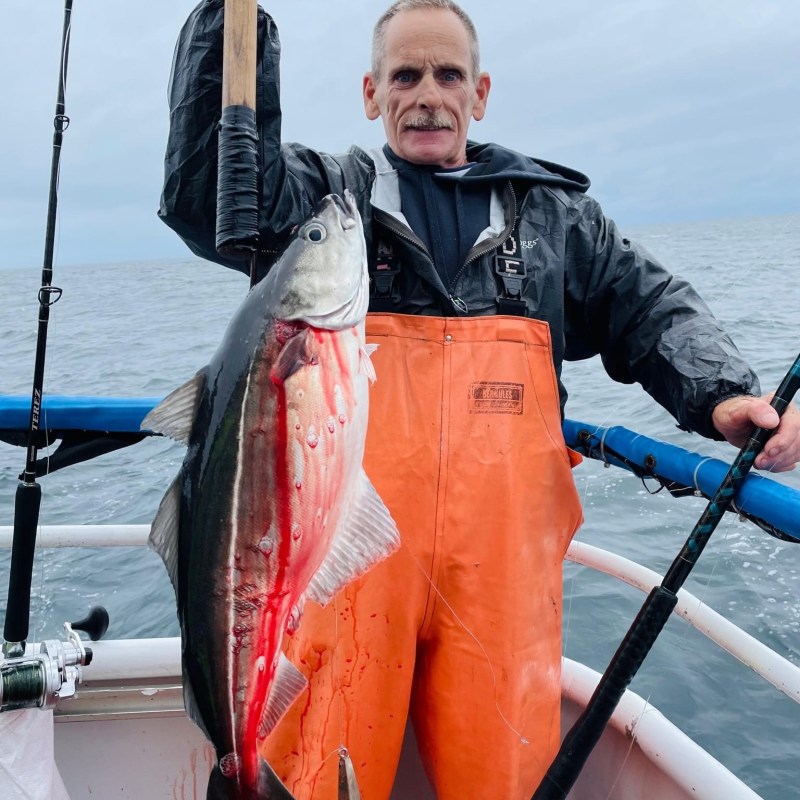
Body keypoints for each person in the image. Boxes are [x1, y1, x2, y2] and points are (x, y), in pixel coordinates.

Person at [160, 1, 800, 798]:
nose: (427, 94)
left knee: (502, 776)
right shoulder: (326, 205)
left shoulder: (557, 218)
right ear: (371, 93)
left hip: (503, 592)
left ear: (480, 92)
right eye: (405, 75)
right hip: (347, 578)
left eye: (447, 74)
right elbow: (206, 195)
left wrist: (724, 394)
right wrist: (231, 28)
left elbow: (648, 305)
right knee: (312, 769)